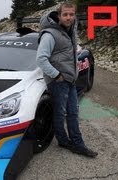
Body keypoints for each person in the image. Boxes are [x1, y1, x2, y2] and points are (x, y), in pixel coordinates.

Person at [36, 2, 98, 158]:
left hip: (69, 78)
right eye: (65, 14)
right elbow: (41, 59)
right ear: (59, 16)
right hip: (58, 81)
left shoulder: (70, 31)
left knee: (72, 111)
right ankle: (69, 142)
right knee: (61, 112)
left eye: (71, 14)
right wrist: (57, 75)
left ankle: (73, 142)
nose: (69, 17)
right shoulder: (50, 34)